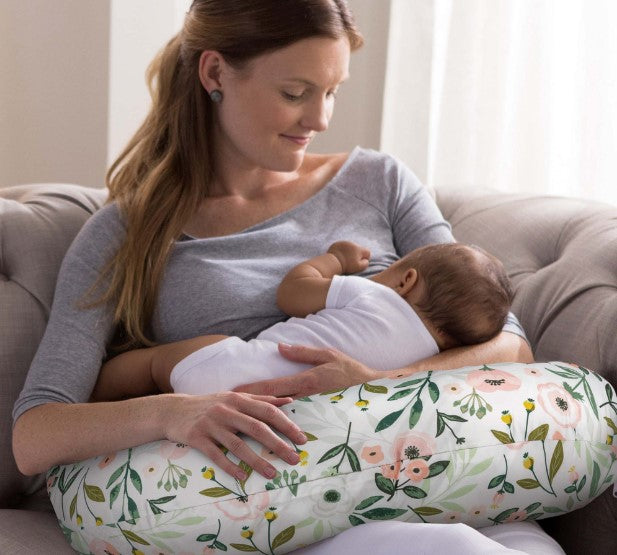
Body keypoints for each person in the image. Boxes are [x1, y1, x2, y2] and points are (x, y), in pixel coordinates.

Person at [12, 1, 546, 552]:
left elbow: (510, 346)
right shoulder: (128, 231)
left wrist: (379, 383)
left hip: (427, 475)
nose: (320, 119)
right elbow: (35, 434)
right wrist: (174, 413)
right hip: (287, 509)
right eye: (296, 93)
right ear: (215, 73)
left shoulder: (380, 182)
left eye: (332, 91)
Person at [91, 240, 513, 400]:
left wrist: (337, 261)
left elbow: (292, 292)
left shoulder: (371, 293)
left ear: (405, 280)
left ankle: (96, 393)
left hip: (231, 369)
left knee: (152, 364)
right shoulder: (426, 361)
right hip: (277, 412)